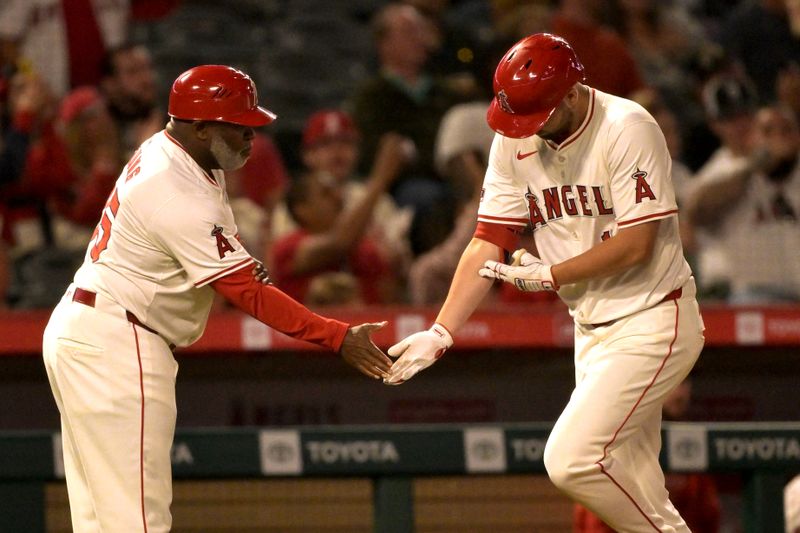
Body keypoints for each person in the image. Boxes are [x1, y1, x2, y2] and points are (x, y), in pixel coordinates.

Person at [41, 65, 392, 532]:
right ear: (200, 126)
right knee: (137, 522)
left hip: (91, 329)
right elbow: (245, 292)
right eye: (238, 127)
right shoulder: (174, 187)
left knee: (102, 522)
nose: (251, 138)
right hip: (118, 340)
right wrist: (336, 336)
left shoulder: (174, 153)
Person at [384, 33, 705, 532]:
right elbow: (488, 239)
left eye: (537, 115)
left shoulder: (627, 127)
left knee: (572, 460)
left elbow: (638, 243)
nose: (522, 130)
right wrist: (441, 332)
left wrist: (549, 275)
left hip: (653, 315)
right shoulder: (514, 136)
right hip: (591, 327)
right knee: (636, 485)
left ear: (573, 93)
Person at [573, 378, 721, 532]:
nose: (679, 394)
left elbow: (708, 516)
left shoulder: (690, 439)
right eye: (672, 382)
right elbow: (594, 516)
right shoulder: (619, 435)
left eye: (684, 383)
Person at [687, 103, 800, 303]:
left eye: (786, 130)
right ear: (752, 137)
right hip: (754, 295)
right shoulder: (734, 175)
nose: (778, 138)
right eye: (768, 131)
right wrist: (755, 165)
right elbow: (695, 212)